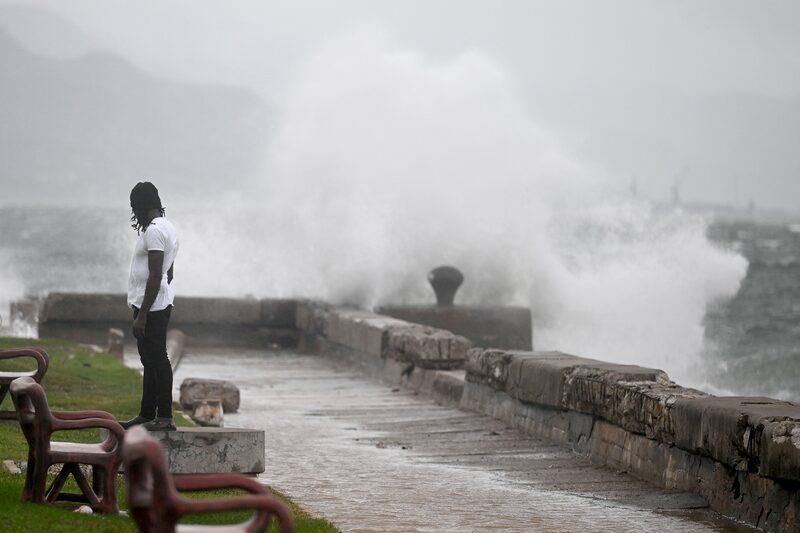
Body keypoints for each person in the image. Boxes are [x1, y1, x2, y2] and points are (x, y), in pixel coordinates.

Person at [120, 182, 179, 431]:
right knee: (149, 359)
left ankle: (164, 416)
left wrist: (142, 315)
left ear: (142, 206)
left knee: (158, 358)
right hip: (157, 302)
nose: (134, 212)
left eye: (135, 206)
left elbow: (156, 274)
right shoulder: (168, 226)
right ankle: (147, 413)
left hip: (152, 307)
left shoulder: (154, 231)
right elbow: (169, 270)